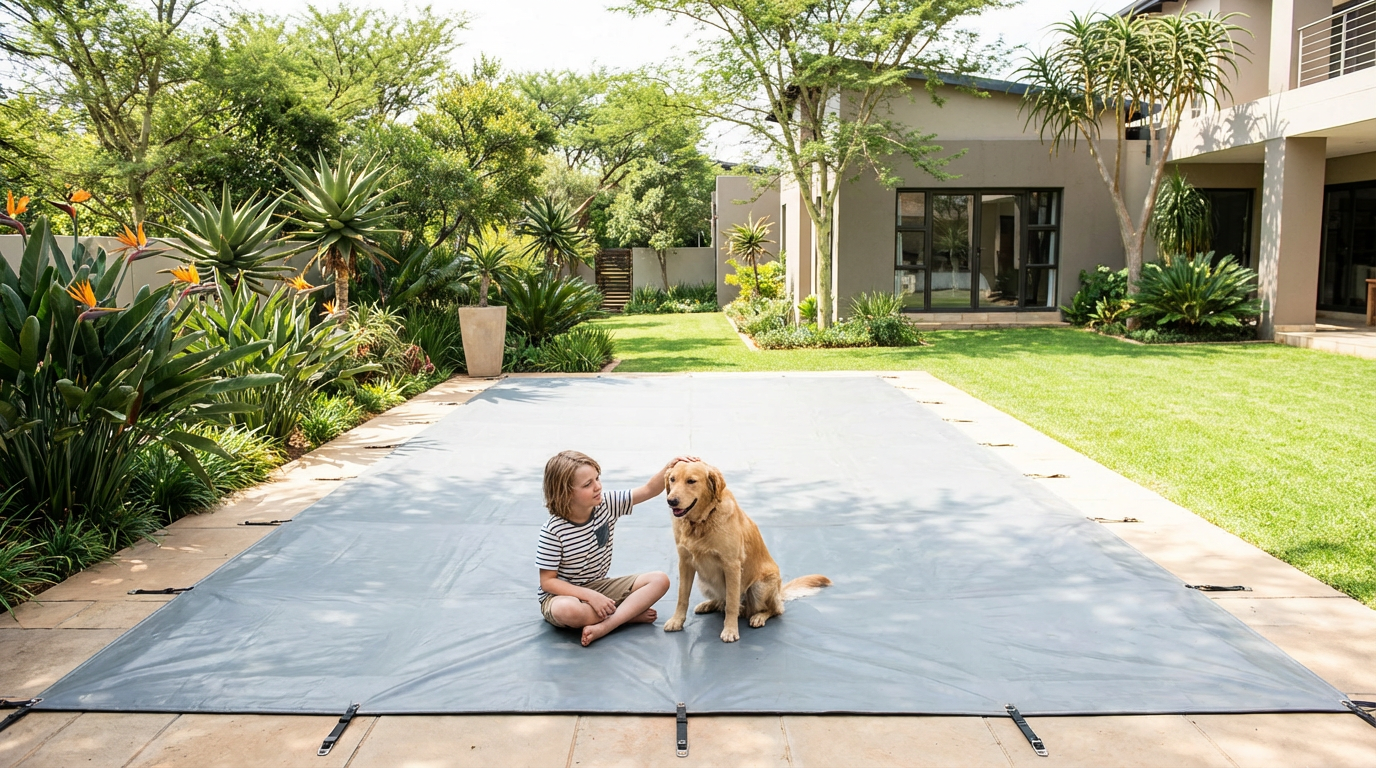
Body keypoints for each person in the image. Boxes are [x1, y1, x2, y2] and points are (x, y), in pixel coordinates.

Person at [537, 450, 692, 646]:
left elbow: (648, 490)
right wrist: (590, 596)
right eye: (587, 484)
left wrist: (671, 466)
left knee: (659, 580)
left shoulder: (607, 504)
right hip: (562, 596)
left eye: (597, 478)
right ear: (565, 493)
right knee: (569, 611)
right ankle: (625, 616)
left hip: (599, 585)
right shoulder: (553, 530)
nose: (597, 486)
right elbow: (548, 582)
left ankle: (607, 624)